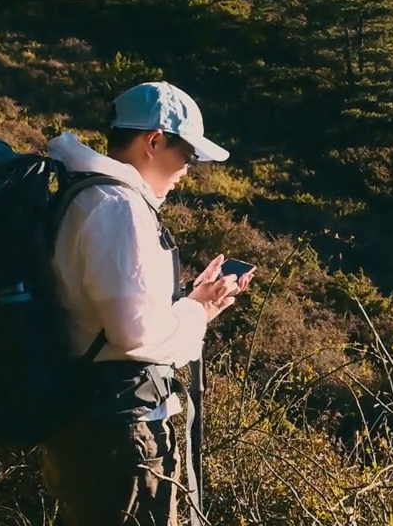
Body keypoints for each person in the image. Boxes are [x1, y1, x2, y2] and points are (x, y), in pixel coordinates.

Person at [41, 81, 252, 526]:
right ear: (154, 140)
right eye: (188, 156)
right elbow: (133, 334)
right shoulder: (116, 205)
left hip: (90, 420)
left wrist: (195, 302)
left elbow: (116, 316)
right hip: (120, 432)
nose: (187, 171)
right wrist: (197, 311)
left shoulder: (86, 193)